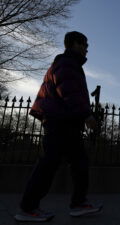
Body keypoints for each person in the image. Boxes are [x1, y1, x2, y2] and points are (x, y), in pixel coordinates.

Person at [15, 31, 102, 222]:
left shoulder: (68, 63)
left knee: (78, 163)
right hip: (60, 121)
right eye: (84, 44)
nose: (87, 49)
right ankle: (28, 208)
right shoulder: (67, 63)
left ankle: (79, 203)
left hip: (65, 121)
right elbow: (69, 90)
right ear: (74, 44)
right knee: (49, 165)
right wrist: (86, 114)